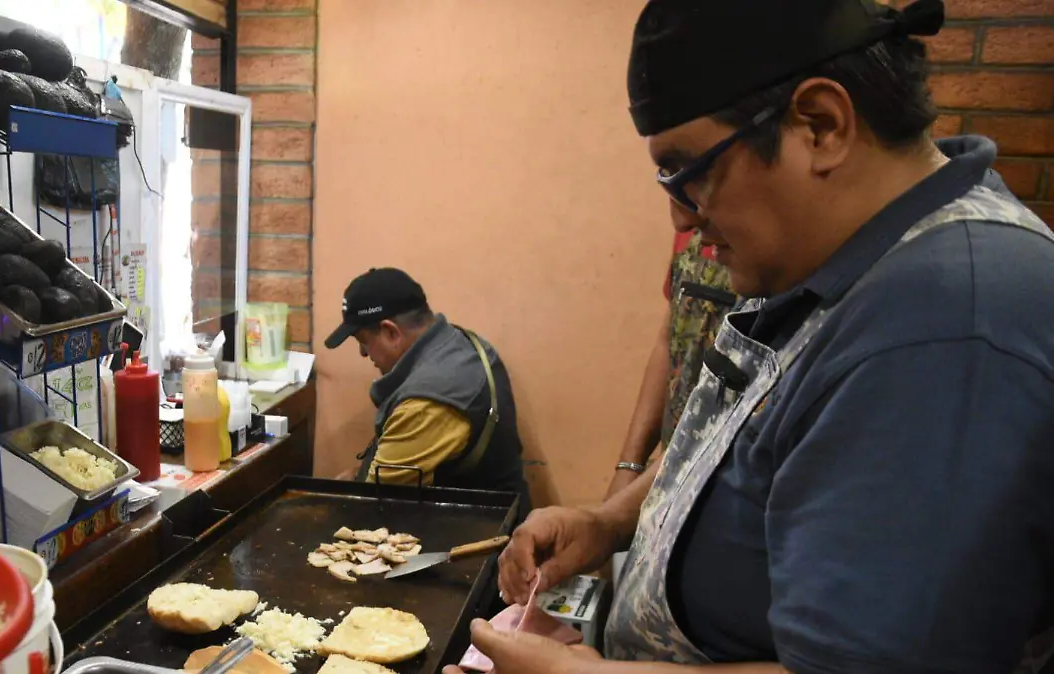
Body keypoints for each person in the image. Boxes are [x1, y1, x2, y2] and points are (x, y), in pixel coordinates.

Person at [448, 0, 1054, 672]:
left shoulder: (946, 329)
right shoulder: (845, 262)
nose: (680, 213)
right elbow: (749, 437)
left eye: (687, 170)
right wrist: (611, 522)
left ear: (820, 126)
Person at [325, 268, 531, 514]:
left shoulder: (427, 401)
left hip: (477, 536)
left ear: (391, 332)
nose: (363, 353)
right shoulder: (457, 343)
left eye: (364, 341)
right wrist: (357, 476)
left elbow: (375, 503)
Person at [605, 231, 734, 501]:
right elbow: (669, 342)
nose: (686, 219)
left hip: (727, 482)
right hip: (670, 479)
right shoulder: (689, 225)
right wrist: (629, 467)